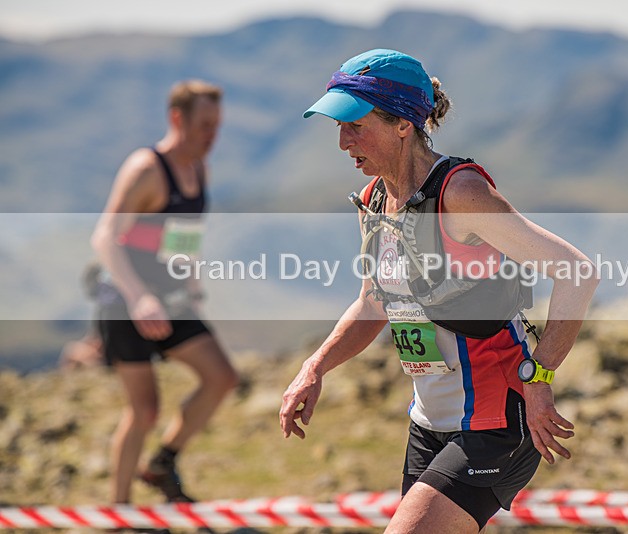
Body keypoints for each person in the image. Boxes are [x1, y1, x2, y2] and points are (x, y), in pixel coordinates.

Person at [279, 49, 598, 533]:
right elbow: (372, 304)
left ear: (404, 124)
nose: (343, 142)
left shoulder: (459, 192)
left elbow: (577, 272)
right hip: (428, 423)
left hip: (496, 421)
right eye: (337, 127)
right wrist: (314, 367)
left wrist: (540, 377)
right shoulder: (373, 200)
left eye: (355, 125)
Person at [91, 80, 238, 505]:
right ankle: (118, 514)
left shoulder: (199, 170)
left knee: (222, 378)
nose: (212, 135)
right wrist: (139, 297)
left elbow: (182, 234)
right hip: (124, 300)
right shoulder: (146, 168)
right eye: (205, 125)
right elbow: (106, 237)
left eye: (217, 126)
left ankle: (162, 463)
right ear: (178, 119)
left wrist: (190, 283)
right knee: (144, 410)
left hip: (170, 299)